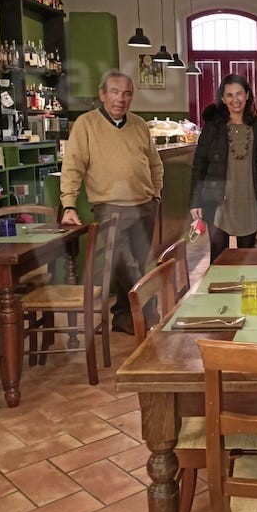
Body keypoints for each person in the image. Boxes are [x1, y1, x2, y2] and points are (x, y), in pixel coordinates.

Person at [60, 69, 163, 335]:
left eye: (127, 93)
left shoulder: (139, 125)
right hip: (110, 208)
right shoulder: (86, 124)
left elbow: (155, 164)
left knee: (140, 262)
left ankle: (123, 317)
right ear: (102, 94)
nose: (121, 99)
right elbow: (72, 166)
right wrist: (69, 204)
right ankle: (146, 314)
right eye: (115, 92)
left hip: (144, 206)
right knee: (126, 266)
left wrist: (156, 194)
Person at [190, 74, 257, 262]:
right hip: (217, 200)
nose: (235, 100)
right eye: (229, 95)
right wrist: (195, 200)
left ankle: (244, 283)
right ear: (223, 98)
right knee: (218, 259)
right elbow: (199, 164)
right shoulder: (213, 127)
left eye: (239, 94)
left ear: (247, 95)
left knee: (246, 258)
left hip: (248, 201)